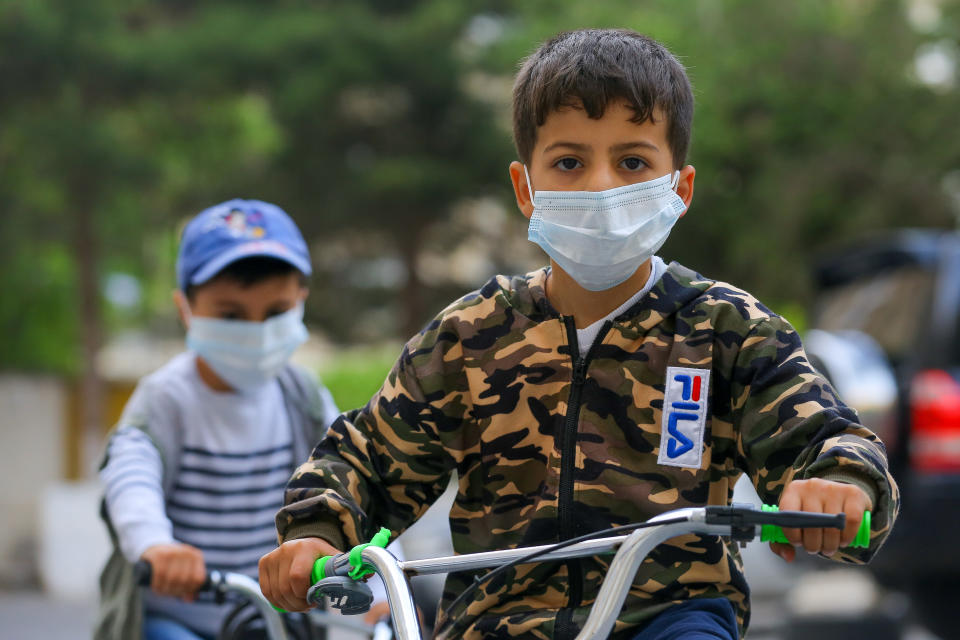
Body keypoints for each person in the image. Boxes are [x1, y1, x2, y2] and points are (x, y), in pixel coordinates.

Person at [258, 29, 900, 640]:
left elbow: (824, 435)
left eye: (631, 161)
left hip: (670, 614)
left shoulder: (726, 330)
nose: (600, 185)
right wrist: (317, 533)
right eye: (568, 161)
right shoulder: (469, 336)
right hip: (495, 618)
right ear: (525, 187)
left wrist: (839, 481)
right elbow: (367, 457)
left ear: (680, 187)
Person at [95, 199, 339, 640]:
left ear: (301, 300)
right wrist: (154, 543)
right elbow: (130, 473)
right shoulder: (166, 398)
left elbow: (355, 476)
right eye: (231, 315)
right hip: (180, 621)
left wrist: (381, 583)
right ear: (184, 308)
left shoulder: (302, 395)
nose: (258, 330)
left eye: (276, 312)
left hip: (274, 618)